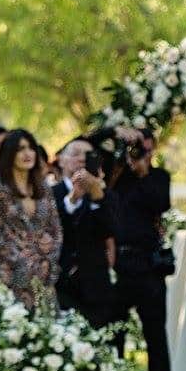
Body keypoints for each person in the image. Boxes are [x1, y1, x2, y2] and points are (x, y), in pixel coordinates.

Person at [108, 125, 174, 371]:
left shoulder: (158, 177)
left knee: (155, 328)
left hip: (147, 263)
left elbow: (160, 204)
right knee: (115, 330)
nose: (139, 151)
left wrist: (143, 171)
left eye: (144, 146)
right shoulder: (116, 176)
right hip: (118, 262)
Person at [0, 128, 63, 311]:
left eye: (30, 148)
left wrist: (47, 262)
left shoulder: (43, 187)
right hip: (11, 278)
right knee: (14, 335)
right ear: (9, 154)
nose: (27, 153)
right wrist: (28, 264)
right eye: (20, 149)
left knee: (48, 336)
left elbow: (56, 230)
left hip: (44, 278)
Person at [54, 138, 119, 328]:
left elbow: (111, 230)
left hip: (95, 286)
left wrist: (97, 194)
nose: (81, 159)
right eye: (75, 154)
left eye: (88, 155)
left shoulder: (107, 196)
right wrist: (73, 198)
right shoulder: (50, 194)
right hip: (61, 284)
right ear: (61, 160)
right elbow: (55, 228)